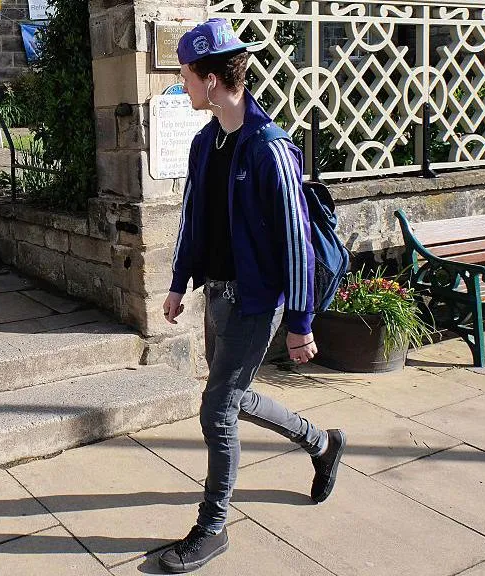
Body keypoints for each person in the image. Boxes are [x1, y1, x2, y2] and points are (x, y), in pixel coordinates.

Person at [158, 18, 346, 573]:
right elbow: (196, 220)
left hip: (255, 302)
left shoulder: (270, 150)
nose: (182, 85)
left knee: (216, 407)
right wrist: (177, 282)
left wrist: (302, 321)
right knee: (234, 397)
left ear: (213, 79)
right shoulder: (205, 142)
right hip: (216, 296)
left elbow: (295, 241)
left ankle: (212, 526)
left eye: (187, 76)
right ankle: (321, 443)